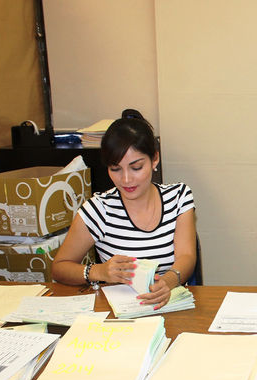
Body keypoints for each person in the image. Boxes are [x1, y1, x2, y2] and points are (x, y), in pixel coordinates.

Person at [52, 112, 196, 309]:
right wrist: (99, 272)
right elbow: (59, 267)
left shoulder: (178, 197)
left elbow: (187, 256)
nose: (126, 179)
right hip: (123, 313)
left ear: (154, 159)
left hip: (170, 306)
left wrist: (167, 283)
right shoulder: (99, 209)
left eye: (136, 167)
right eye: (116, 169)